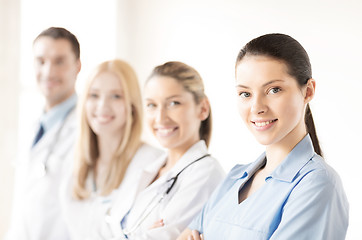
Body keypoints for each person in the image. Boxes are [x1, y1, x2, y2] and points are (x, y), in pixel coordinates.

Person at [178, 33, 349, 240]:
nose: (256, 107)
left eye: (273, 90)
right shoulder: (234, 178)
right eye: (245, 94)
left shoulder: (317, 184)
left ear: (308, 91)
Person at [105, 61, 225, 239]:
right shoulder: (149, 166)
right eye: (152, 105)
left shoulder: (206, 174)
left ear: (202, 108)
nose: (160, 118)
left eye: (173, 103)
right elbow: (107, 227)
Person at [60, 59, 164, 239]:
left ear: (132, 106)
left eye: (116, 96)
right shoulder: (75, 166)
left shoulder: (153, 163)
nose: (102, 106)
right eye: (94, 95)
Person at [5, 27, 81, 240]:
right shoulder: (33, 126)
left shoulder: (88, 130)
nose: (48, 71)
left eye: (59, 61)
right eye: (41, 61)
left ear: (78, 66)